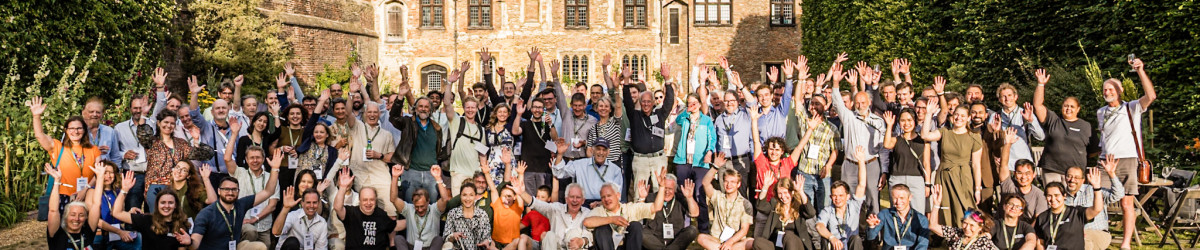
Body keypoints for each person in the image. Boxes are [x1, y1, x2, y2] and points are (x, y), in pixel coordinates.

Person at [1098, 58, 1155, 250]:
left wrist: (1140, 71)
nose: (1108, 92)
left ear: (1120, 91)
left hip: (1129, 159)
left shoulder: (1131, 108)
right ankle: (1098, 237)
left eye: (1112, 89)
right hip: (1105, 161)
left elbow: (1151, 95)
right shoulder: (1100, 112)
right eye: (1105, 89)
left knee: (1126, 203)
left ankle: (1125, 244)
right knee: (1098, 200)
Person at [828, 55, 887, 214]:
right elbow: (837, 102)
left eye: (863, 102)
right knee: (849, 202)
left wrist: (884, 171)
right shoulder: (849, 117)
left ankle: (873, 236)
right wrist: (835, 83)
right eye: (858, 103)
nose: (860, 105)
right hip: (850, 165)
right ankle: (852, 234)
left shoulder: (878, 121)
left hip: (871, 164)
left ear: (869, 103)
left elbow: (883, 148)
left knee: (873, 200)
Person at [187, 150, 280, 250]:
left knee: (260, 246)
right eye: (226, 189)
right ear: (219, 191)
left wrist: (275, 169)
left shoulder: (241, 205)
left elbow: (268, 192)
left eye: (234, 189)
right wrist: (189, 243)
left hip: (234, 247)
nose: (230, 192)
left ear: (238, 191)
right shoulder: (206, 214)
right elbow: (195, 243)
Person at [29, 96, 101, 203]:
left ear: (84, 130)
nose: (75, 131)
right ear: (66, 130)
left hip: (87, 195)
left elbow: (98, 174)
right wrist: (36, 116)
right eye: (71, 128)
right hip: (63, 195)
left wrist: (85, 189)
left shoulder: (94, 149)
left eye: (79, 128)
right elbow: (39, 135)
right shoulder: (57, 147)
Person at [921, 103, 983, 227]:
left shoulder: (974, 137)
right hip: (944, 176)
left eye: (963, 116)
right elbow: (925, 135)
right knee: (946, 209)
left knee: (965, 208)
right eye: (956, 115)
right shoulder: (945, 132)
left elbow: (976, 165)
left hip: (963, 177)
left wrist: (977, 189)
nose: (959, 118)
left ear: (969, 118)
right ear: (952, 116)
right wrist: (928, 114)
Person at [1031, 69, 1096, 184]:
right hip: (1052, 170)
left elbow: (1094, 150)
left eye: (1072, 106)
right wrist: (1041, 84)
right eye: (1066, 106)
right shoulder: (1053, 120)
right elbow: (1037, 105)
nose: (1068, 109)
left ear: (1078, 109)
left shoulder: (1086, 126)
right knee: (1053, 199)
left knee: (1074, 201)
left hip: (1075, 174)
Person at [391, 93, 451, 202]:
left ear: (431, 110)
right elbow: (393, 117)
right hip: (411, 172)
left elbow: (438, 149)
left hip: (431, 174)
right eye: (420, 106)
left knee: (432, 207)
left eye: (426, 107)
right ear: (416, 108)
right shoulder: (408, 122)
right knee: (410, 207)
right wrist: (400, 97)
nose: (423, 109)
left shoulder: (437, 128)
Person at [111, 173, 195, 249]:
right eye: (163, 202)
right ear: (157, 205)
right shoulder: (147, 220)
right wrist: (124, 190)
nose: (166, 206)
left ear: (175, 205)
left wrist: (189, 243)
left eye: (170, 203)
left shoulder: (181, 224)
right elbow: (116, 213)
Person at [1062, 156, 1124, 250]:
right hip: (1071, 235)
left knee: (1081, 239)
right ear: (1065, 177)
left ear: (1083, 180)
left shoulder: (1093, 189)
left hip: (1098, 233)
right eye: (1069, 176)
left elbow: (1118, 194)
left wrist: (1111, 174)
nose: (1072, 180)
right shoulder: (1061, 197)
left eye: (1076, 177)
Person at [443, 68, 488, 196]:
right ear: (463, 108)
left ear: (476, 109)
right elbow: (447, 104)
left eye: (472, 107)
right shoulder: (457, 121)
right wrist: (449, 83)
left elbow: (482, 153)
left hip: (474, 173)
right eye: (467, 107)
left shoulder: (481, 129)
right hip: (458, 172)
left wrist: (484, 172)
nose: (470, 110)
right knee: (458, 203)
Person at [516, 177, 594, 249]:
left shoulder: (587, 213)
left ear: (583, 200)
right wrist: (522, 193)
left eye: (578, 197)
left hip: (576, 248)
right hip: (555, 248)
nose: (574, 200)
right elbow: (538, 204)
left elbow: (589, 235)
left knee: (574, 234)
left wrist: (582, 241)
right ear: (566, 199)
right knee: (549, 235)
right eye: (571, 197)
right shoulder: (556, 209)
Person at [333, 168, 401, 250]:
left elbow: (395, 225)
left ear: (375, 200)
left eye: (371, 199)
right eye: (365, 200)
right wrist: (343, 187)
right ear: (359, 201)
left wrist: (413, 218)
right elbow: (337, 207)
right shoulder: (351, 213)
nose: (368, 203)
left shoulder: (380, 214)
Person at [815, 146, 868, 250]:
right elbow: (819, 226)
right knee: (824, 240)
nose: (837, 199)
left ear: (848, 196)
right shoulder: (828, 210)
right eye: (834, 196)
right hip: (836, 246)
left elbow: (861, 184)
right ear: (831, 197)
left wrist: (861, 162)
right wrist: (832, 238)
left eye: (840, 195)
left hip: (851, 246)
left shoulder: (854, 206)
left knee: (856, 239)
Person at [390, 164, 452, 250]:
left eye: (422, 206)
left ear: (428, 201)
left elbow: (445, 199)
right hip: (412, 247)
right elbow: (394, 199)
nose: (419, 209)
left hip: (430, 247)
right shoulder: (409, 209)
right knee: (398, 238)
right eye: (417, 207)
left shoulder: (434, 209)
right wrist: (395, 177)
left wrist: (438, 178)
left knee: (438, 239)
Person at [697, 159, 755, 250]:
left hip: (735, 242)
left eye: (732, 182)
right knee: (701, 238)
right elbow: (705, 183)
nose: (729, 185)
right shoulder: (717, 196)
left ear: (738, 184)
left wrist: (730, 242)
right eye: (726, 181)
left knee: (751, 241)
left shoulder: (745, 204)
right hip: (717, 239)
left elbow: (744, 230)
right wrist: (715, 167)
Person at [882, 109, 931, 213]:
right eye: (903, 120)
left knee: (917, 212)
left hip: (916, 179)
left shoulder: (923, 140)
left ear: (915, 121)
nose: (906, 123)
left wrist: (927, 184)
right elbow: (886, 144)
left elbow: (927, 163)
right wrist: (889, 125)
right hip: (897, 178)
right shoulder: (896, 139)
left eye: (909, 120)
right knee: (897, 211)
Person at [1035, 179, 1106, 250]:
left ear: (1064, 196)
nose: (1053, 199)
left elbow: (1097, 209)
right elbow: (1040, 242)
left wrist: (1097, 188)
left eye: (1056, 195)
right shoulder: (1042, 217)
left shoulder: (1076, 213)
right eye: (1049, 196)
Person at [83, 161, 138, 250]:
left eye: (111, 173)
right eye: (105, 172)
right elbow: (96, 221)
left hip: (117, 235)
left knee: (139, 239)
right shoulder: (91, 192)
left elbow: (118, 215)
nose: (108, 176)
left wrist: (130, 212)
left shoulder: (118, 192)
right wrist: (119, 232)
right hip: (100, 235)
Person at [990, 82, 1044, 170]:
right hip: (1004, 165)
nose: (1007, 99)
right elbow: (990, 141)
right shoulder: (995, 116)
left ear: (1016, 97)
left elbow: (1040, 137)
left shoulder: (1025, 113)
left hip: (1024, 164)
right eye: (1003, 96)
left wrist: (1031, 121)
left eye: (1010, 95)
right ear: (999, 99)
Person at [753, 176, 817, 250]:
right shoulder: (774, 204)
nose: (783, 196)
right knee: (757, 242)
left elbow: (811, 213)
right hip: (777, 245)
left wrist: (800, 191)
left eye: (785, 192)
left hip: (796, 245)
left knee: (788, 235)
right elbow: (760, 206)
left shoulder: (799, 206)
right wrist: (765, 187)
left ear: (792, 192)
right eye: (780, 193)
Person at [115, 94, 155, 210]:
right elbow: (115, 152)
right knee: (132, 209)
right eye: (135, 108)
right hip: (132, 174)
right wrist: (124, 154)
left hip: (151, 174)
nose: (138, 111)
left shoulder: (152, 125)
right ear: (130, 109)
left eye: (140, 108)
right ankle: (130, 229)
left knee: (152, 211)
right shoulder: (120, 128)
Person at [550, 137, 623, 201]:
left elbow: (617, 195)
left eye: (604, 150)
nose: (601, 152)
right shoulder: (580, 164)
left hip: (605, 204)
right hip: (584, 205)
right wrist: (560, 154)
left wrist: (600, 203)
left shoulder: (615, 170)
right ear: (592, 150)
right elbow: (559, 173)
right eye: (598, 149)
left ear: (608, 152)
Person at [927, 186, 999, 250]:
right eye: (965, 223)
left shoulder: (985, 243)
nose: (967, 228)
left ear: (980, 227)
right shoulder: (957, 233)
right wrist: (936, 204)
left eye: (972, 225)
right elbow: (933, 226)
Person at [641, 174, 700, 250]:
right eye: (665, 188)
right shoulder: (650, 197)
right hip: (654, 239)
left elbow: (695, 213)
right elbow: (638, 213)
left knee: (692, 230)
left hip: (675, 240)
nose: (667, 191)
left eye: (670, 189)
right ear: (660, 187)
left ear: (675, 189)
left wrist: (689, 197)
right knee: (640, 232)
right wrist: (642, 199)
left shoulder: (680, 198)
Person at [865, 184, 930, 250]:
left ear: (910, 197)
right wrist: (871, 226)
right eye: (895, 198)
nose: (898, 202)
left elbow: (922, 245)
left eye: (902, 198)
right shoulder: (884, 214)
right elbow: (870, 237)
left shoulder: (921, 219)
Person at [442, 182, 495, 250]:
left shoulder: (482, 214)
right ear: (460, 196)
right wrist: (452, 236)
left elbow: (487, 237)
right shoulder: (453, 214)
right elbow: (445, 237)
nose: (467, 198)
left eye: (471, 195)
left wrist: (486, 242)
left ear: (475, 196)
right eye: (464, 195)